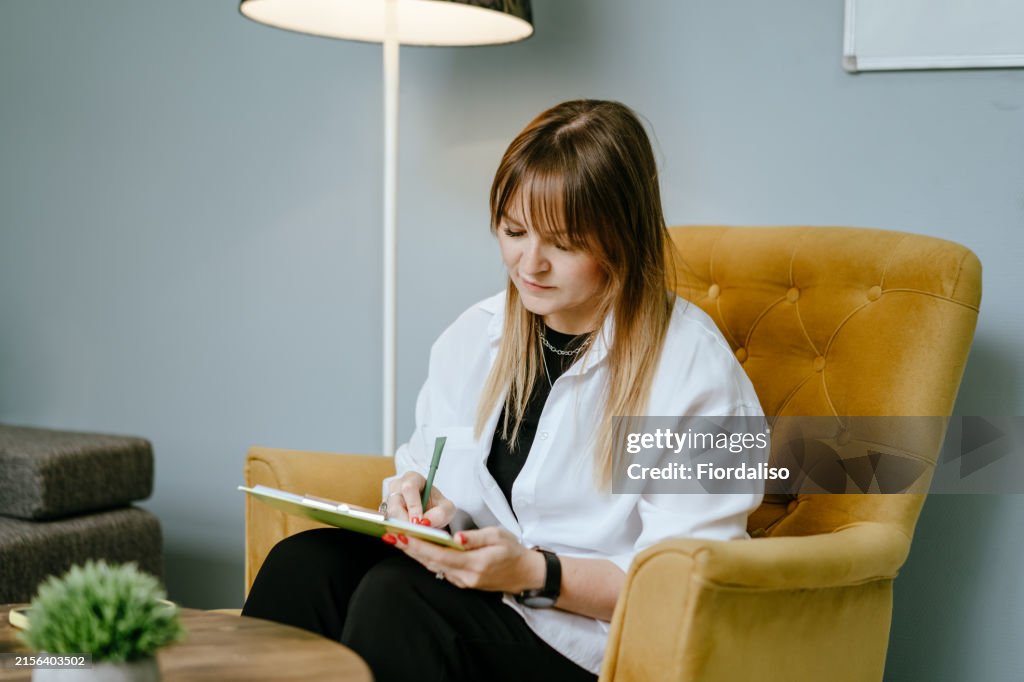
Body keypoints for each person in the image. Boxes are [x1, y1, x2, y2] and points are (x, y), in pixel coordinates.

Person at [241, 99, 764, 681]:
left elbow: (686, 582)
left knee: (399, 599)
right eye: (513, 232)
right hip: (486, 597)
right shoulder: (474, 336)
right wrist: (413, 500)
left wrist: (535, 573)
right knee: (303, 564)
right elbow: (425, 471)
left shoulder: (691, 368)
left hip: (591, 643)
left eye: (563, 244)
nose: (529, 263)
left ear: (622, 239)